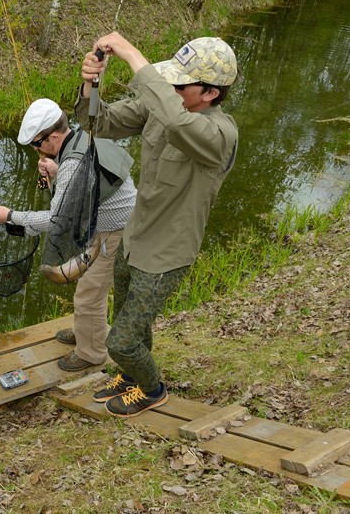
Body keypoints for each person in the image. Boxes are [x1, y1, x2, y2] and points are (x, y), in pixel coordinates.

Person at [75, 33, 239, 417]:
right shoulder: (163, 107)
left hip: (166, 253)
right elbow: (97, 122)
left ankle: (151, 389)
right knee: (131, 323)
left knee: (122, 340)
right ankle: (131, 377)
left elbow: (180, 125)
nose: (171, 87)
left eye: (180, 84)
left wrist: (132, 54)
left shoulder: (220, 134)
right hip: (134, 239)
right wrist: (90, 84)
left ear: (211, 93)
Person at [0, 98, 137, 372]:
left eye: (37, 144)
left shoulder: (71, 165)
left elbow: (58, 221)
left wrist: (10, 216)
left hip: (115, 230)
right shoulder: (84, 135)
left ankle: (91, 353)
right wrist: (56, 173)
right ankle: (87, 331)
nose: (36, 150)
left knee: (89, 294)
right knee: (88, 288)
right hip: (110, 222)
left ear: (54, 136)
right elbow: (87, 182)